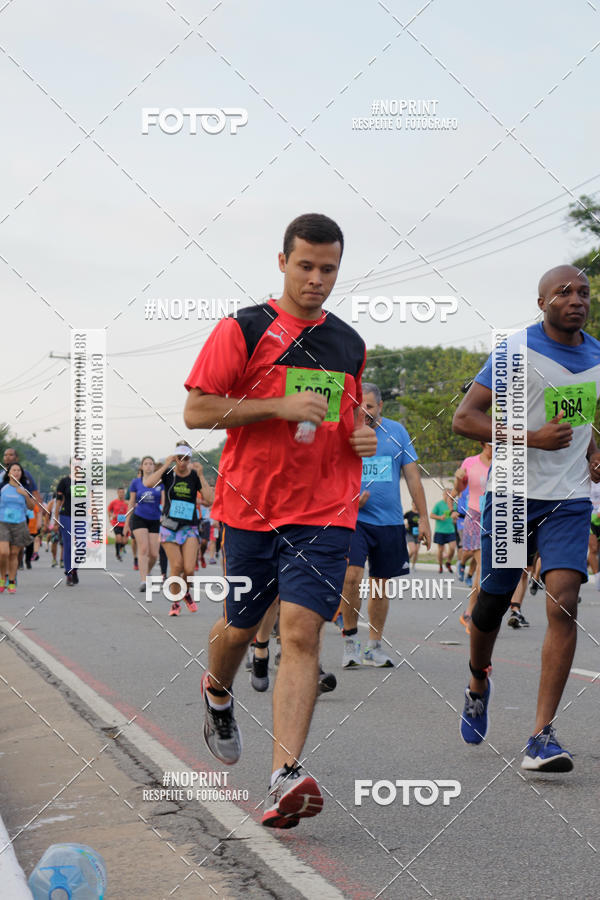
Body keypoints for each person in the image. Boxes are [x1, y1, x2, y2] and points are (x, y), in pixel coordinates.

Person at [183, 212, 377, 828]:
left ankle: (284, 775)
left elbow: (348, 420)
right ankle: (218, 691)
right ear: (283, 262)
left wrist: (363, 436)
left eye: (329, 269)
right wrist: (276, 407)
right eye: (306, 266)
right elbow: (197, 411)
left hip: (324, 510)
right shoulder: (243, 329)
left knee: (300, 632)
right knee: (240, 629)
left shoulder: (349, 344)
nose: (317, 279)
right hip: (252, 507)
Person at [453, 264, 600, 771]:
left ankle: (541, 736)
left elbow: (581, 417)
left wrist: (593, 452)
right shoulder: (515, 350)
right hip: (513, 493)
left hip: (569, 498)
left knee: (564, 600)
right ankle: (478, 678)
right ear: (542, 303)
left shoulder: (597, 354)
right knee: (492, 602)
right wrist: (531, 438)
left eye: (584, 292)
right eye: (564, 292)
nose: (576, 299)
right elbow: (465, 418)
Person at [340, 382, 430, 668]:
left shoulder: (397, 432)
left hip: (389, 522)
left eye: (369, 406)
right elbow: (332, 472)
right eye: (359, 406)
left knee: (380, 585)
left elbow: (413, 477)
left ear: (380, 406)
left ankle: (374, 646)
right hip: (354, 519)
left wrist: (424, 518)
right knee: (351, 577)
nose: (363, 411)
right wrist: (348, 500)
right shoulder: (347, 431)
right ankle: (350, 642)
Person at [145, 443, 214, 615]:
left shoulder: (194, 476)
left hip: (189, 527)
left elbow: (210, 499)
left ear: (190, 459)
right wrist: (166, 464)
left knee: (189, 569)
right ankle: (175, 602)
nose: (182, 462)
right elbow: (148, 483)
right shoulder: (169, 474)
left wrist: (201, 474)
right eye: (179, 458)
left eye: (186, 458)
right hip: (169, 526)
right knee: (177, 565)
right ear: (175, 457)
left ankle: (185, 592)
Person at [454, 442, 492, 631]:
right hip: (476, 516)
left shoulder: (506, 461)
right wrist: (458, 478)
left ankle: (471, 612)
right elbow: (458, 490)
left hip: (499, 517)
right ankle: (472, 614)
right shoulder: (470, 462)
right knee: (483, 568)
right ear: (483, 444)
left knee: (490, 570)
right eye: (492, 444)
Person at [124, 457, 163, 594]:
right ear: (141, 467)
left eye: (151, 464)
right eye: (145, 464)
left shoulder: (160, 482)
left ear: (154, 467)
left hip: (155, 519)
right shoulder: (136, 482)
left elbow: (164, 502)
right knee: (144, 548)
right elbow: (131, 502)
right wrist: (126, 522)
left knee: (154, 554)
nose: (148, 466)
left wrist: (164, 517)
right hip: (139, 518)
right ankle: (143, 581)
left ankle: (147, 572)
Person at [0, 463, 35, 593]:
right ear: (9, 473)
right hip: (3, 523)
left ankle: (11, 581)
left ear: (21, 473)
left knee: (14, 554)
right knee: (4, 553)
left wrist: (25, 495)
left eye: (18, 470)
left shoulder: (24, 488)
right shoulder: (2, 487)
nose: (16, 472)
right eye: (14, 470)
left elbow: (31, 507)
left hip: (19, 524)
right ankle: (2, 577)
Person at [430, 487, 457, 574]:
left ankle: (448, 562)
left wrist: (455, 519)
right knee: (440, 550)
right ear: (443, 495)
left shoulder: (454, 505)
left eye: (450, 494)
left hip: (451, 530)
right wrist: (440, 517)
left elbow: (457, 515)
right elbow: (431, 515)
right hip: (440, 531)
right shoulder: (438, 504)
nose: (448, 496)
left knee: (452, 548)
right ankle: (440, 566)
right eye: (446, 494)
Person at [107, 487, 129, 562]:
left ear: (124, 494)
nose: (121, 494)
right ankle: (118, 554)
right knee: (119, 538)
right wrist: (110, 517)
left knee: (125, 541)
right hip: (116, 523)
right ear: (117, 493)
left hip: (125, 524)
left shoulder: (127, 503)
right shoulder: (114, 502)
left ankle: (121, 548)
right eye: (120, 492)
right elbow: (109, 510)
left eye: (123, 492)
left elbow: (131, 511)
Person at [404, 502, 421, 569]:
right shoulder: (409, 513)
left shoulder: (420, 514)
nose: (415, 505)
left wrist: (421, 523)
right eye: (414, 504)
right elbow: (400, 519)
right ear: (412, 504)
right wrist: (405, 524)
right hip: (409, 533)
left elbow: (424, 522)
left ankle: (413, 565)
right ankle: (405, 562)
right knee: (412, 550)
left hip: (418, 534)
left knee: (416, 551)